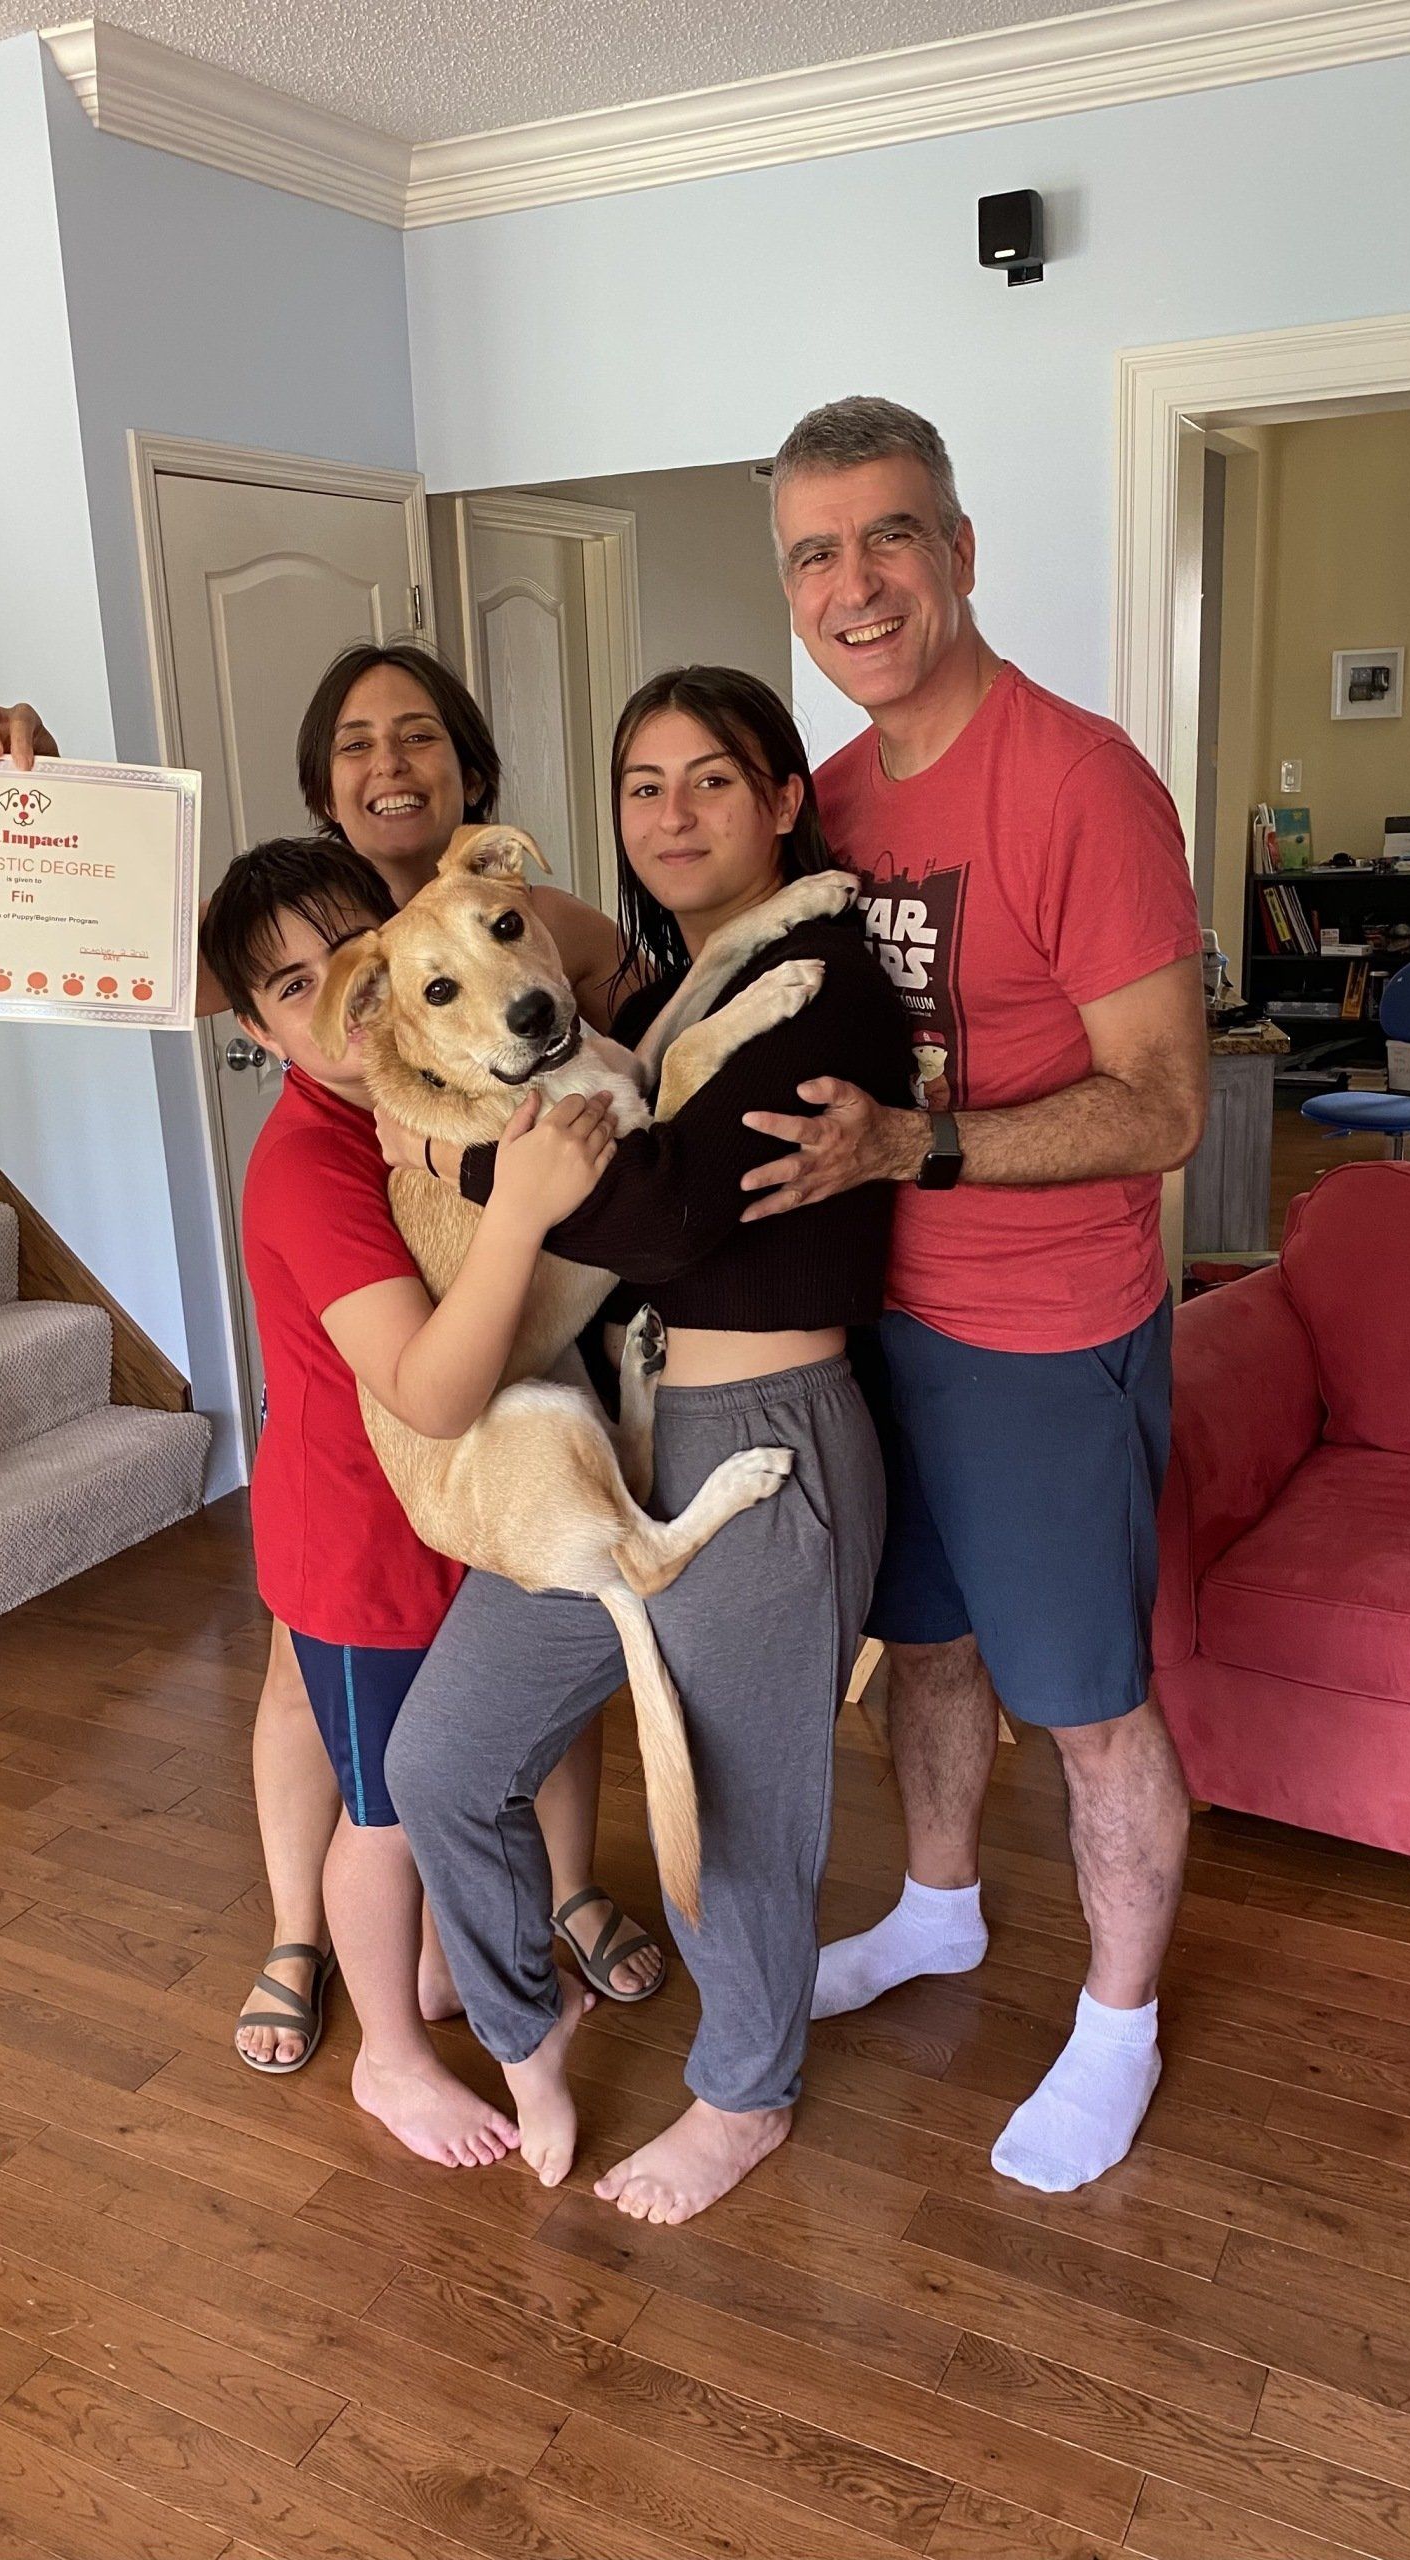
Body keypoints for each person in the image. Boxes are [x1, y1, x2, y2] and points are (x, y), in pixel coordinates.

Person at [0, 645, 664, 2074]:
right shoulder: (318, 1053)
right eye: (355, 742)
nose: (389, 763)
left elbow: (611, 984)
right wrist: (43, 805)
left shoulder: (501, 917)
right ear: (323, 791)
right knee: (347, 1719)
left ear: (475, 774)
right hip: (373, 1452)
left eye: (419, 736)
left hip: (506, 1416)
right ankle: (321, 1945)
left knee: (542, 1659)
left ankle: (542, 1894)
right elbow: (202, 950)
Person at [380, 665, 914, 2223]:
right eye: (643, 785)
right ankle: (523, 2031)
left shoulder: (830, 968)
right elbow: (404, 958)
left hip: (766, 1429)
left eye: (712, 780)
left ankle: (745, 2096)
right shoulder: (675, 979)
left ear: (785, 798)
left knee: (742, 1819)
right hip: (616, 1432)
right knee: (443, 1758)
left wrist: (463, 1161)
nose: (673, 814)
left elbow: (674, 1213)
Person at [746, 398, 1209, 2196]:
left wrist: (911, 1150)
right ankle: (939, 1909)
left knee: (1088, 1702)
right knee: (917, 1644)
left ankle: (1118, 2023)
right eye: (813, 551)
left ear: (957, 548)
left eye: (888, 536)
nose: (853, 583)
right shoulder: (831, 798)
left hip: (1042, 1331)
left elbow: (1163, 1104)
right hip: (874, 1318)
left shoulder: (1080, 780)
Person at [198, 831, 619, 2161]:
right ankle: (388, 2053)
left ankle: (445, 1979)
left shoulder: (400, 1094)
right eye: (289, 988)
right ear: (257, 1028)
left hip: (453, 1516)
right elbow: (430, 1392)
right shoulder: (312, 1163)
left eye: (350, 954)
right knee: (379, 1812)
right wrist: (522, 1212)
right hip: (361, 1545)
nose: (335, 995)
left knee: (475, 1769)